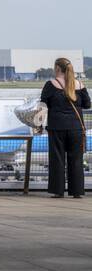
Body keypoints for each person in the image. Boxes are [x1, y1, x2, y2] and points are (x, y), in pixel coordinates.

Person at [41, 57, 90, 198]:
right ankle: (77, 191)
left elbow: (43, 105)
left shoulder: (51, 84)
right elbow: (87, 105)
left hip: (57, 127)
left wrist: (38, 124)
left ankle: (58, 191)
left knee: (57, 159)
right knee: (76, 160)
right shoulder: (79, 84)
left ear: (57, 68)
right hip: (76, 127)